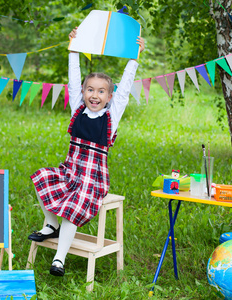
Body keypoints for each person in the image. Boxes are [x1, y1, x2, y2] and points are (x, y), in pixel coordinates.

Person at [28, 27, 145, 276]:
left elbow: (125, 88)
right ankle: (51, 224)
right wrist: (73, 48)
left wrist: (134, 57)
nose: (94, 95)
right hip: (71, 170)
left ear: (109, 96)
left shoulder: (111, 115)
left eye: (101, 91)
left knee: (72, 207)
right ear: (83, 91)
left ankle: (59, 260)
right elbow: (73, 77)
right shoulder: (77, 109)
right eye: (90, 89)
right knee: (41, 177)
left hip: (93, 179)